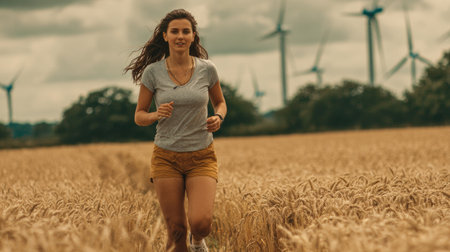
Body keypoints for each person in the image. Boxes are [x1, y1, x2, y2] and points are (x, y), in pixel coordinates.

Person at [124, 9, 226, 252]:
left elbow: (220, 102)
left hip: (201, 155)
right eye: (175, 31)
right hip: (166, 157)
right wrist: (155, 115)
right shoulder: (152, 73)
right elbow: (139, 115)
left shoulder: (207, 69)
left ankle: (198, 241)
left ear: (193, 37)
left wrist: (218, 116)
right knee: (176, 231)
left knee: (201, 223)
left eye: (185, 31)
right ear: (165, 36)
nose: (180, 36)